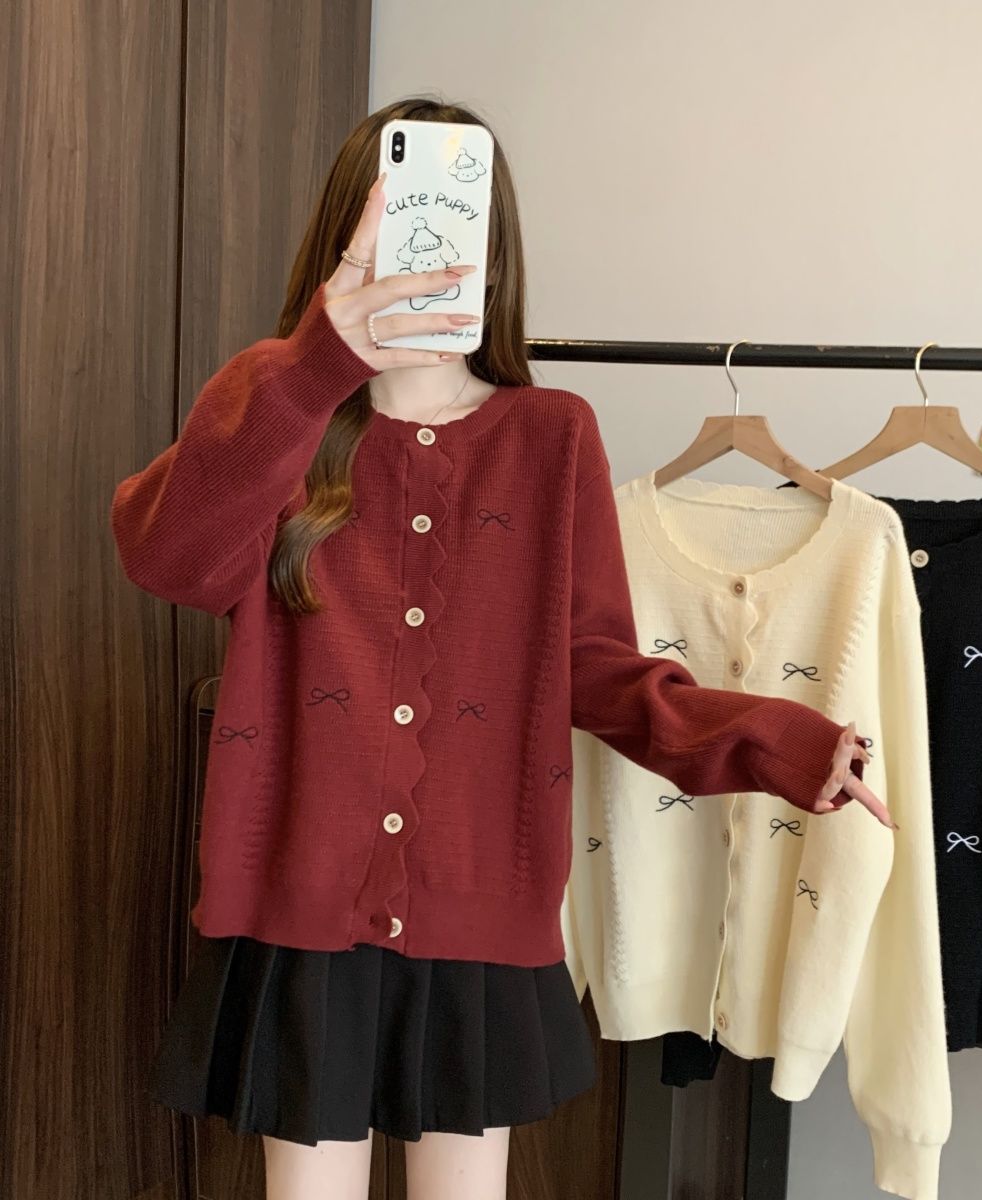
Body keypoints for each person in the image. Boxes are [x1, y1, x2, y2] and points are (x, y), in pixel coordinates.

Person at [110, 96, 890, 1200]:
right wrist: (314, 363)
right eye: (401, 224)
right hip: (300, 908)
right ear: (346, 244)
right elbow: (168, 559)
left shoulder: (551, 435)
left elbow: (596, 665)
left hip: (477, 906)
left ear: (492, 251)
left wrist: (772, 738)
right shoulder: (275, 414)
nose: (430, 250)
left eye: (455, 222)